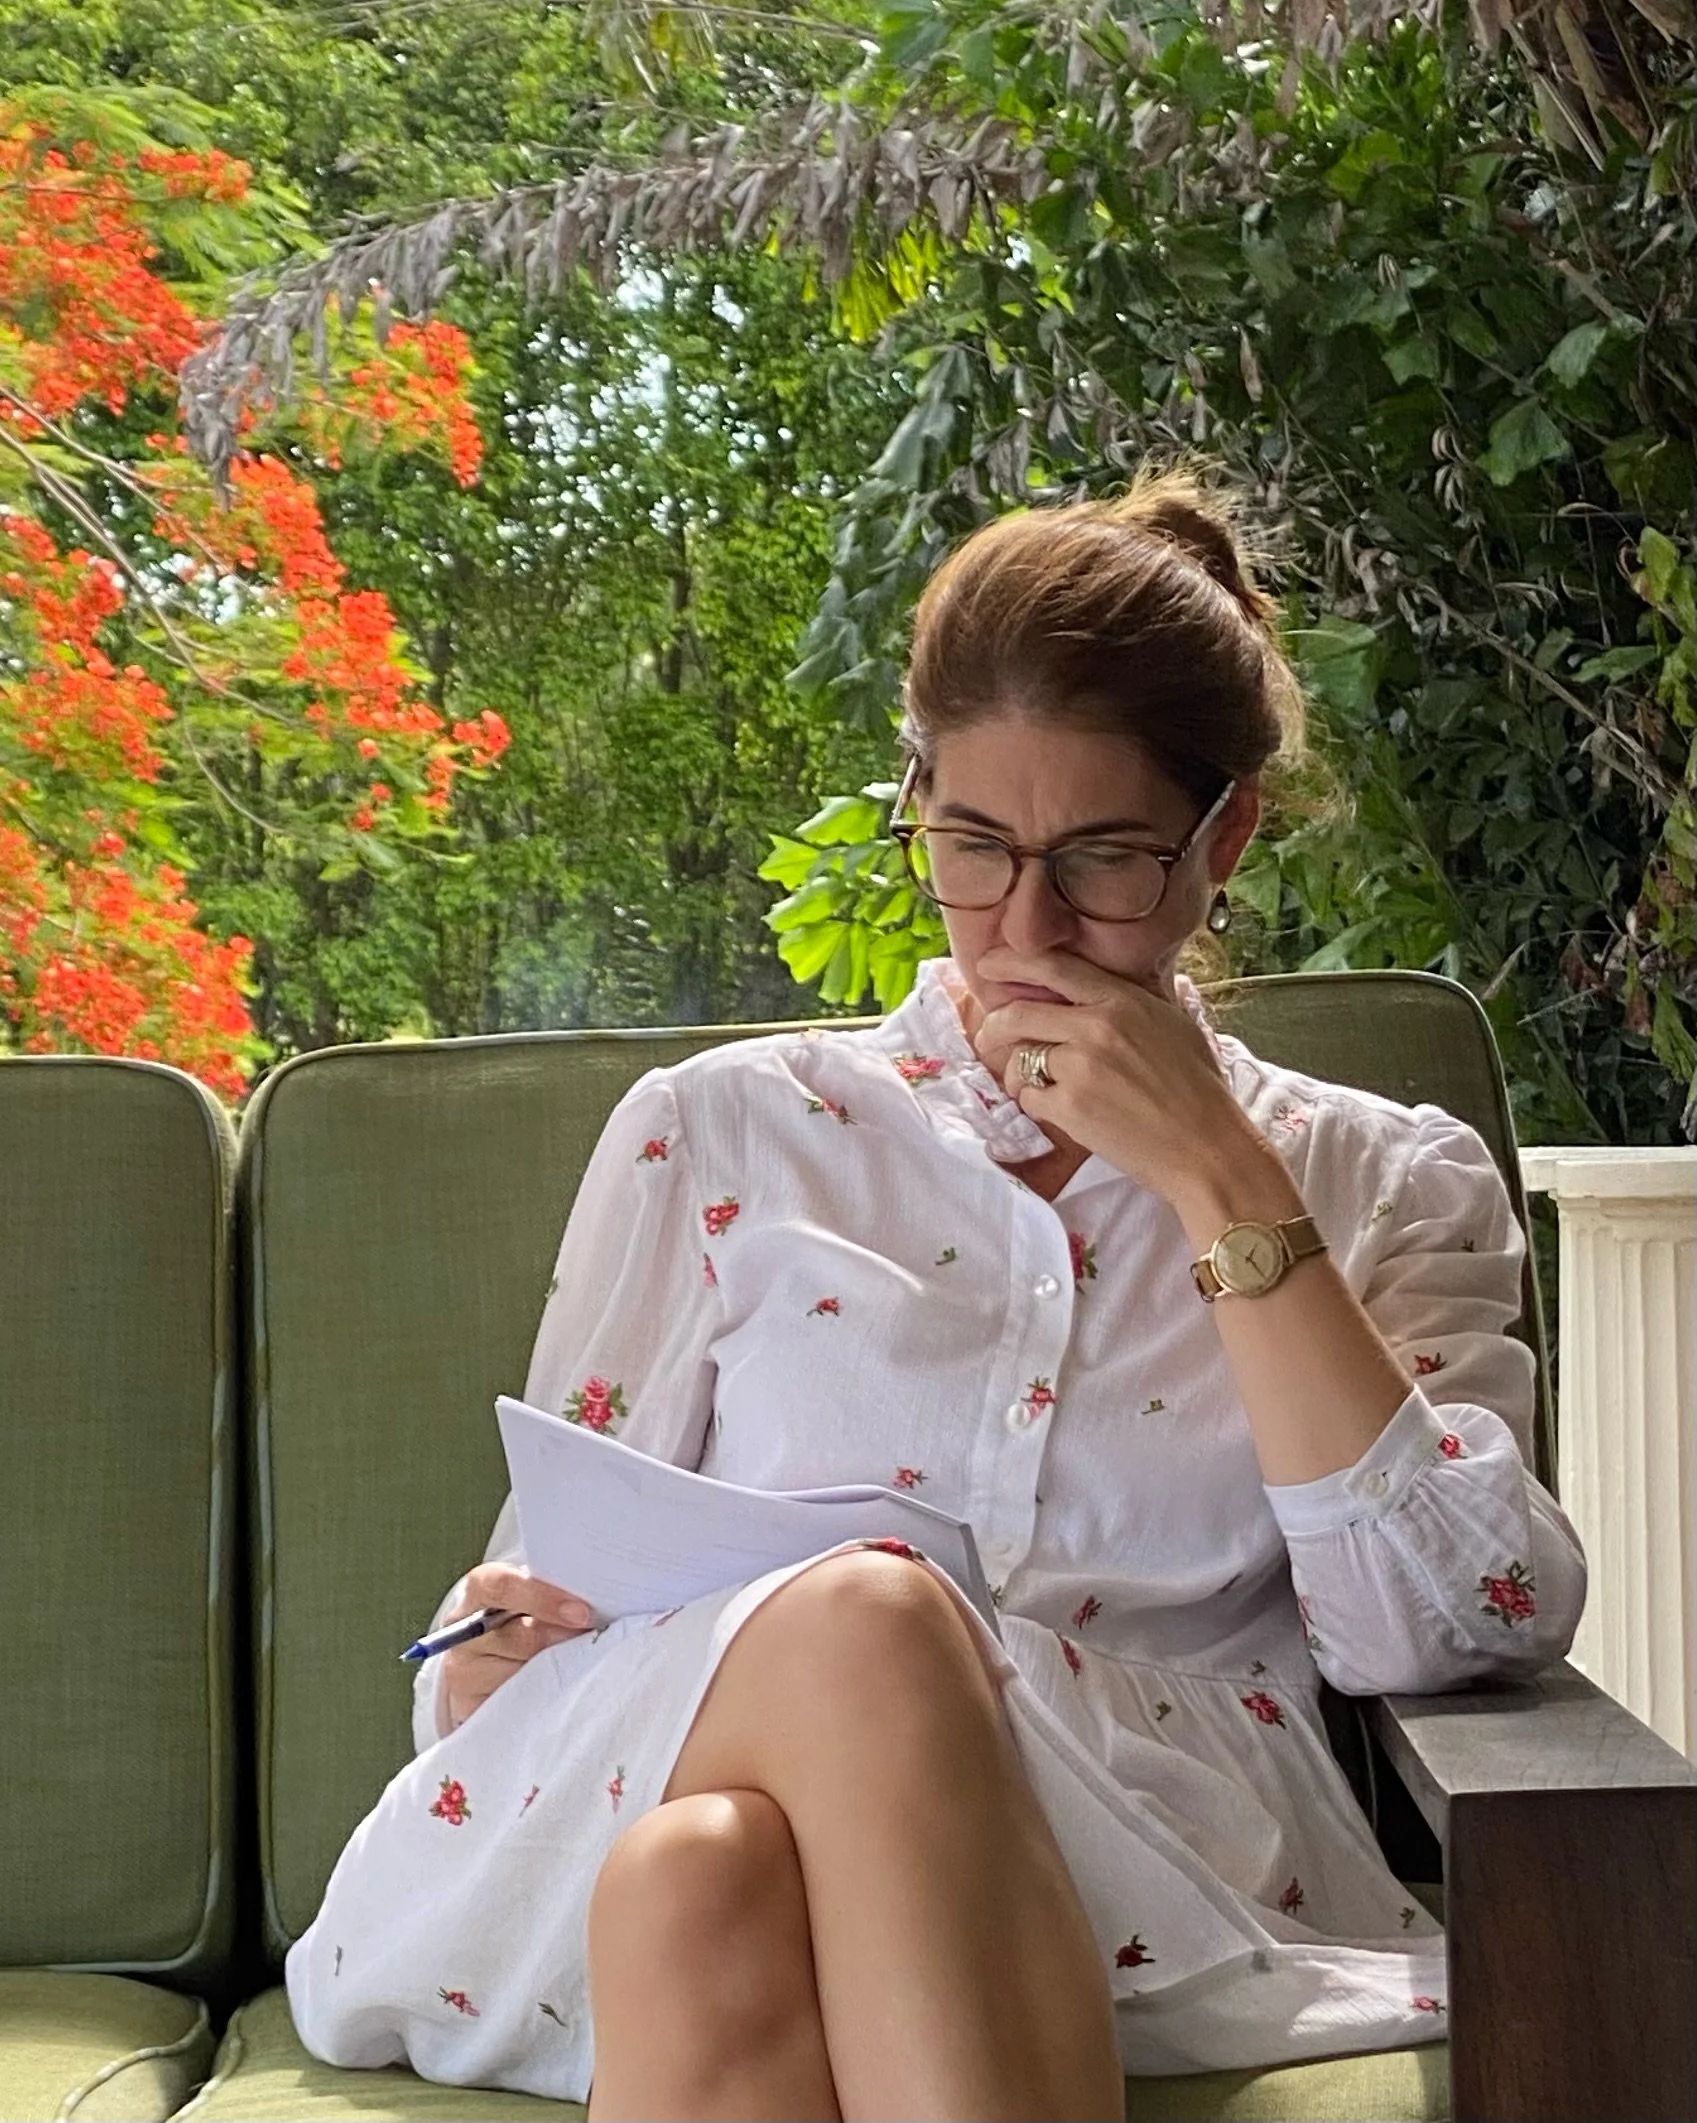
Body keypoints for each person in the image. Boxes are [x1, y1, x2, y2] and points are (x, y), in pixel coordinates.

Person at [286, 470, 1587, 2123]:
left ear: (1223, 838)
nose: (1022, 923)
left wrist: (1221, 1180)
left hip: (1153, 1860)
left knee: (698, 1884)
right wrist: (487, 1647)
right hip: (668, 1749)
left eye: (1103, 859)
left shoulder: (1384, 1181)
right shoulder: (725, 1131)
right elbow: (530, 1604)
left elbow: (1457, 1629)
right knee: (867, 1620)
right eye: (971, 846)